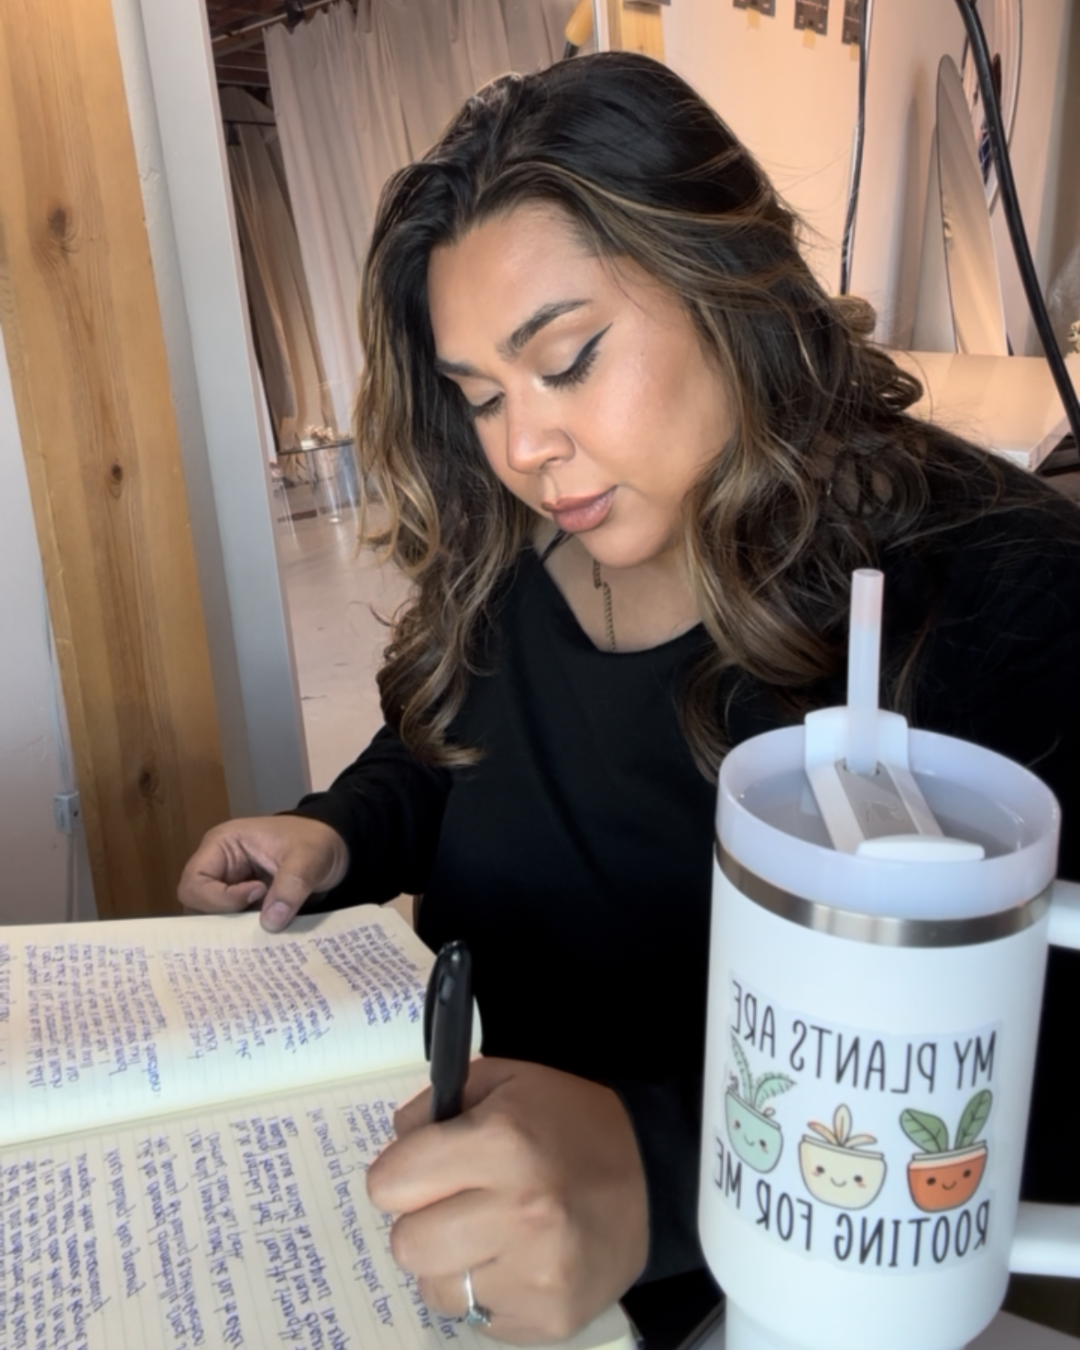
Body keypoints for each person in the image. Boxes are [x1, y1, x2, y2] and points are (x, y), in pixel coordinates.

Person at [180, 52, 1080, 1347]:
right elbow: (444, 757)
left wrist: (657, 1176)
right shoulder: (516, 554)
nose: (523, 446)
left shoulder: (994, 596)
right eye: (481, 395)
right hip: (458, 1229)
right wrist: (342, 830)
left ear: (732, 288)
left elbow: (1033, 1080)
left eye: (571, 357)